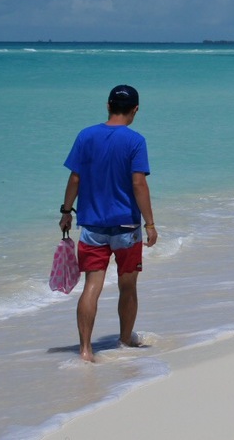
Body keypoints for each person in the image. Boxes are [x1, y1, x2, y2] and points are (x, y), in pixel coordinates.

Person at [58, 84, 157, 362]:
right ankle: (125, 341)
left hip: (92, 227)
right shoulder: (135, 141)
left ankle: (86, 350)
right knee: (128, 287)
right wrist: (150, 224)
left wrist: (66, 211)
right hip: (126, 226)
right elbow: (139, 183)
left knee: (92, 286)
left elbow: (75, 178)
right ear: (135, 109)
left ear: (108, 106)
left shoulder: (86, 136)